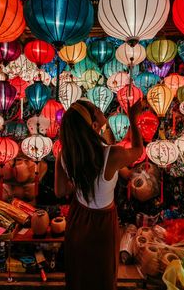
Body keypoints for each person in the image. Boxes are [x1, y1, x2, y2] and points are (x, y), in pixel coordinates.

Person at [55, 99, 143, 290]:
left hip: (78, 217)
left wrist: (82, 180)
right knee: (102, 275)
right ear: (94, 125)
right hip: (102, 223)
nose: (100, 108)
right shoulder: (112, 155)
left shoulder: (65, 154)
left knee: (79, 273)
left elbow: (60, 191)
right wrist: (133, 119)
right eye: (96, 109)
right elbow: (138, 150)